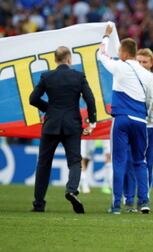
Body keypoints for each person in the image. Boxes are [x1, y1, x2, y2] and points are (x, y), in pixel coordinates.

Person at [29, 46, 96, 213]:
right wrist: (92, 122)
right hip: (72, 125)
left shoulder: (47, 76)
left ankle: (38, 204)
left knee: (43, 164)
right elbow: (90, 99)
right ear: (69, 59)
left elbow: (33, 99)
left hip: (51, 124)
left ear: (55, 60)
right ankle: (72, 190)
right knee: (74, 161)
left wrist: (49, 108)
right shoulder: (78, 76)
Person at [98, 24, 152, 214]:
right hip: (141, 122)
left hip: (122, 119)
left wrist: (106, 36)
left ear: (123, 53)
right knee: (140, 161)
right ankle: (144, 201)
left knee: (119, 161)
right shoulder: (147, 74)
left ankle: (116, 206)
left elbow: (101, 54)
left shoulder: (119, 66)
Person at [122, 48, 153, 211]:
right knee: (129, 161)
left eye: (145, 62)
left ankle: (144, 197)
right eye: (139, 61)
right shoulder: (129, 78)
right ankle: (129, 199)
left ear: (151, 63)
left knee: (148, 163)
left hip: (150, 127)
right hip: (132, 124)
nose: (142, 64)